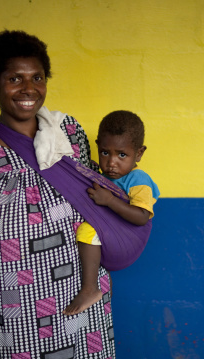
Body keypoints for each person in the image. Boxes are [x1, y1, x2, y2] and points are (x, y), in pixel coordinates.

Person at [0, 30, 115, 359]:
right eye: (14, 78)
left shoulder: (67, 134)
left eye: (37, 77)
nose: (28, 89)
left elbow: (99, 193)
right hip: (16, 312)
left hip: (83, 295)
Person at [63, 111, 160, 316]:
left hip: (127, 234)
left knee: (87, 230)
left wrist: (109, 200)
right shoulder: (99, 175)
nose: (112, 162)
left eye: (121, 155)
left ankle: (89, 288)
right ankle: (102, 284)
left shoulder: (137, 179)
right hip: (109, 235)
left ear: (139, 153)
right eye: (105, 153)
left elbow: (142, 216)